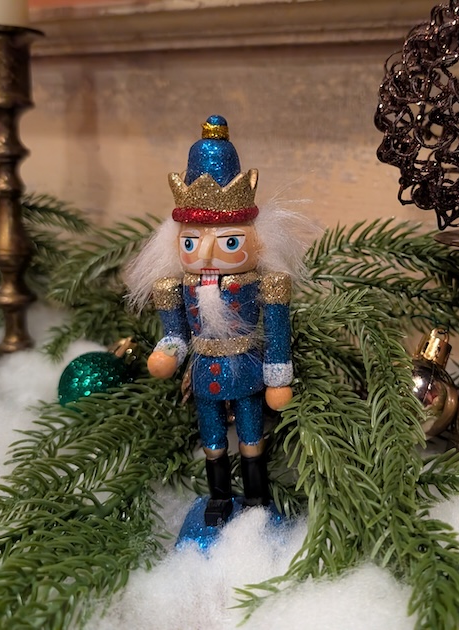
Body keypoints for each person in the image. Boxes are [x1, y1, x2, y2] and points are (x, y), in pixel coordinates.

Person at [126, 115, 316, 526]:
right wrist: (168, 352)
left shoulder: (264, 283)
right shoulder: (177, 286)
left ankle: (256, 498)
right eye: (192, 242)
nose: (207, 252)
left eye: (229, 241)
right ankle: (218, 498)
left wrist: (279, 375)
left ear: (255, 238)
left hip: (246, 367)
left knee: (251, 435)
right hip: (205, 370)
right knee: (212, 439)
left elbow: (277, 330)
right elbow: (174, 332)